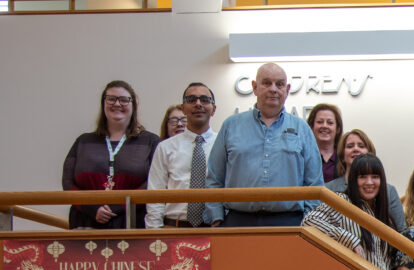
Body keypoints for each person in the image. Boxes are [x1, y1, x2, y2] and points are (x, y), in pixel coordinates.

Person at [206, 62, 323, 227]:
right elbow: (214, 178)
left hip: (290, 223)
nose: (273, 89)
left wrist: (308, 223)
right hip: (237, 221)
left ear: (287, 90)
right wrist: (217, 218)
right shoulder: (231, 126)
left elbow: (314, 184)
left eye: (279, 84)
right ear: (255, 87)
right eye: (267, 83)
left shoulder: (301, 128)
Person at [62, 80, 160, 229]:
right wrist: (93, 208)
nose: (117, 104)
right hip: (86, 221)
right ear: (103, 103)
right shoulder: (83, 141)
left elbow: (154, 182)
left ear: (133, 105)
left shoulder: (150, 142)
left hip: (132, 221)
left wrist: (117, 206)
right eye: (111, 99)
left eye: (124, 100)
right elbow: (68, 182)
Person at [302, 153, 399, 270]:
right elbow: (309, 221)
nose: (369, 182)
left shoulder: (385, 218)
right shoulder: (343, 201)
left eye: (375, 176)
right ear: (353, 180)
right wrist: (350, 240)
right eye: (362, 176)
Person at [145, 83, 218, 228]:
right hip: (174, 228)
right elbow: (155, 195)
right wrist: (154, 233)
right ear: (183, 108)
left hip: (214, 229)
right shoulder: (165, 147)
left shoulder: (224, 145)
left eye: (204, 99)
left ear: (213, 109)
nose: (198, 104)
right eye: (191, 100)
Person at [332, 129, 405, 230]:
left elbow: (401, 231)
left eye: (361, 146)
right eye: (350, 146)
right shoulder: (329, 189)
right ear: (342, 156)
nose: (355, 149)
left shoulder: (390, 191)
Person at [306, 103, 343, 182]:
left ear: (338, 128)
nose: (325, 126)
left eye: (330, 123)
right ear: (311, 127)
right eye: (320, 122)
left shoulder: (344, 157)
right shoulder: (303, 157)